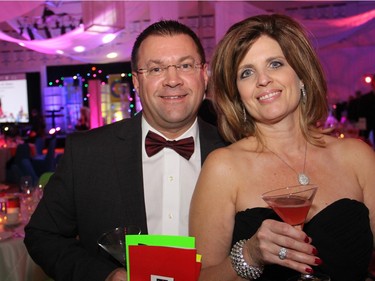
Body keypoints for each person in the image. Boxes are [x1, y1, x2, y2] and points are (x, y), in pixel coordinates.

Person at [24, 20, 226, 281]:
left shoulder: (235, 149)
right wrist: (105, 276)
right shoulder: (86, 153)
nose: (173, 80)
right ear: (137, 82)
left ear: (204, 74)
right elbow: (43, 235)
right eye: (156, 69)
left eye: (185, 65)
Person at [189, 14, 375, 281]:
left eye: (275, 64)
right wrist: (250, 255)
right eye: (246, 73)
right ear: (238, 95)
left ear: (301, 75)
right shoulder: (224, 167)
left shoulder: (358, 158)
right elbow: (199, 277)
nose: (263, 80)